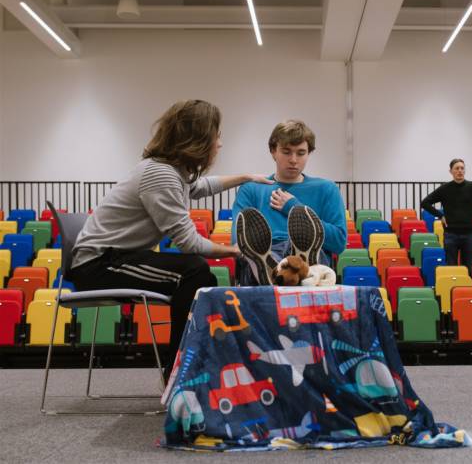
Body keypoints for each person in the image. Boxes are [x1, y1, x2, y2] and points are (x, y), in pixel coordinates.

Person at [70, 100, 271, 377]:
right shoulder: (160, 175)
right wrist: (236, 251)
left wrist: (245, 177)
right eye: (217, 135)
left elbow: (200, 187)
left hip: (114, 258)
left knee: (205, 281)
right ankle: (179, 371)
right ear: (198, 138)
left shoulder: (169, 170)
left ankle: (197, 362)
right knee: (194, 271)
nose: (220, 143)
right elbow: (188, 243)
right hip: (98, 264)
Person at [232, 120, 347, 285]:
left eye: (301, 153)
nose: (293, 160)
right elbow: (238, 240)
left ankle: (285, 269)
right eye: (286, 152)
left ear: (309, 153)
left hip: (314, 253)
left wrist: (294, 208)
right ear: (273, 151)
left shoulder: (326, 189)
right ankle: (277, 266)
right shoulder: (251, 189)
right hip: (268, 249)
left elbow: (338, 242)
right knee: (254, 256)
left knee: (308, 254)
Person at [420, 158, 472, 273]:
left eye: (462, 168)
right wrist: (440, 216)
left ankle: (466, 290)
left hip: (469, 234)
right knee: (452, 269)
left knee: (468, 268)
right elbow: (424, 203)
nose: (460, 171)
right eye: (457, 168)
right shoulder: (445, 189)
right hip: (450, 234)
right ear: (451, 171)